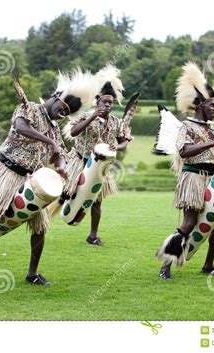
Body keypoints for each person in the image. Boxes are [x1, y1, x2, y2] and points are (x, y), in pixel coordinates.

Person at [0, 69, 96, 285]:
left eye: (65, 114)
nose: (61, 115)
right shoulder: (30, 108)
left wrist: (61, 167)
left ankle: (32, 274)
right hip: (7, 172)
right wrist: (49, 142)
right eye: (61, 109)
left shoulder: (54, 130)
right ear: (55, 98)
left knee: (40, 229)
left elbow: (58, 155)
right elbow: (21, 127)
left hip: (31, 182)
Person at [155, 62, 214, 280]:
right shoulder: (187, 127)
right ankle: (166, 265)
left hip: (213, 180)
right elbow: (184, 151)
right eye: (212, 105)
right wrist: (213, 145)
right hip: (193, 178)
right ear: (200, 106)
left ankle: (208, 265)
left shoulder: (213, 129)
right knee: (189, 224)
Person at [60, 65, 137, 246]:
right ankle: (56, 215)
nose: (107, 105)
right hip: (79, 162)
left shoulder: (117, 122)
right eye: (104, 102)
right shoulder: (86, 115)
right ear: (98, 101)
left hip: (100, 166)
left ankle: (93, 235)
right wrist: (93, 117)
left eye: (110, 102)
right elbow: (74, 133)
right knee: (67, 193)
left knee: (97, 200)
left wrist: (117, 148)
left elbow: (124, 142)